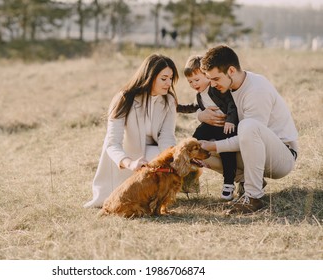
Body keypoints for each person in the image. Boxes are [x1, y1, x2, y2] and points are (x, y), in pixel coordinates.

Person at [198, 45, 298, 214]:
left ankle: (253, 197)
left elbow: (249, 135)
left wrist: (213, 146)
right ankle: (248, 180)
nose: (212, 85)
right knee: (197, 151)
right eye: (210, 80)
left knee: (247, 126)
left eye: (215, 79)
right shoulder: (226, 88)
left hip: (281, 157)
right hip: (254, 150)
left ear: (231, 70)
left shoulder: (256, 89)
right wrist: (200, 117)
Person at [84, 54, 179, 208]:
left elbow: (167, 137)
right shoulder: (124, 98)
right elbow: (112, 143)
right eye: (164, 78)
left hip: (152, 153)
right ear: (150, 77)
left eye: (171, 78)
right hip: (125, 156)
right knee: (121, 198)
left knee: (182, 156)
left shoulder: (169, 101)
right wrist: (130, 163)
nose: (169, 83)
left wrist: (174, 161)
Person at [177, 55, 238, 200]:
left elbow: (232, 103)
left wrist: (230, 120)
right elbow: (194, 107)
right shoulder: (200, 95)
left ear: (207, 76)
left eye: (196, 80)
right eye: (190, 81)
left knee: (226, 153)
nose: (193, 84)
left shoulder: (216, 89)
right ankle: (190, 169)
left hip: (225, 127)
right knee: (194, 141)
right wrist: (178, 107)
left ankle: (228, 183)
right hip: (210, 125)